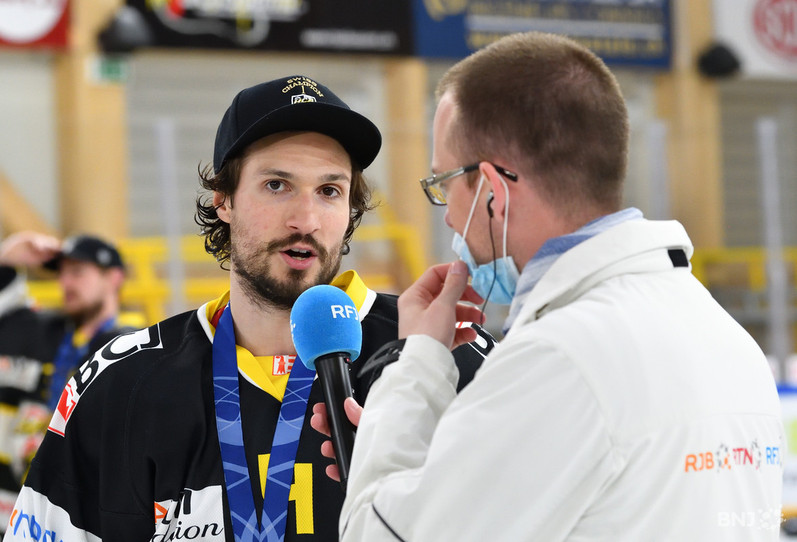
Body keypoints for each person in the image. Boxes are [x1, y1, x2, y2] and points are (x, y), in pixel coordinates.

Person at [320, 33, 785, 541]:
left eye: (443, 183)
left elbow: (378, 533)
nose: (450, 216)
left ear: (493, 191)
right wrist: (437, 459)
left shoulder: (561, 359)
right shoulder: (725, 337)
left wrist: (415, 365)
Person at [4, 75, 493, 542]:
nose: (306, 220)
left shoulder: (442, 356)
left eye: (329, 191)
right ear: (224, 200)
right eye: (276, 185)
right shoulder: (122, 382)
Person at [0, 232, 134, 535]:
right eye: (61, 273)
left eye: (78, 272)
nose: (66, 282)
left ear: (113, 277)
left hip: (80, 523)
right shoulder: (29, 330)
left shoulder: (133, 349)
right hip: (8, 516)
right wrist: (4, 259)